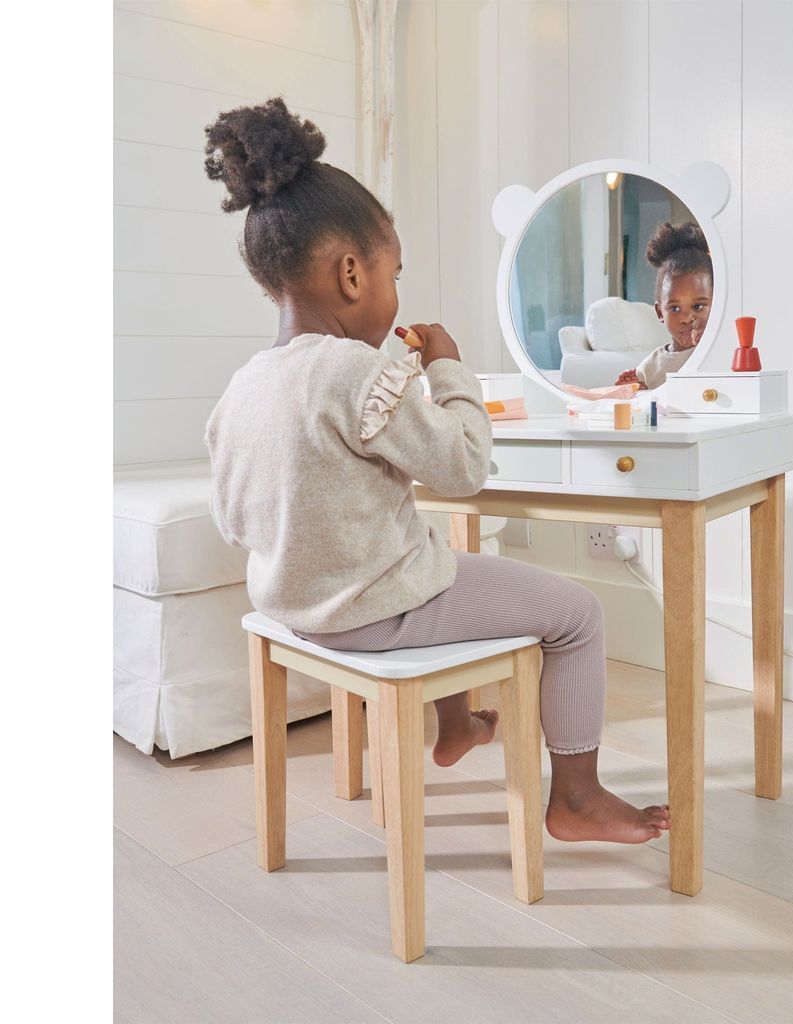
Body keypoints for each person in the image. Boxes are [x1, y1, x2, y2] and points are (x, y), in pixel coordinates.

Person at [202, 98, 669, 843]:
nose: (394, 293)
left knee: (437, 555)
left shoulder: (244, 386)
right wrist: (449, 367)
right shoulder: (357, 372)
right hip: (372, 615)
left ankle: (456, 726)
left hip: (295, 608)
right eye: (394, 272)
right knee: (576, 614)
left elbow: (234, 518)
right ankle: (577, 797)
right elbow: (464, 466)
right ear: (352, 273)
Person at [615, 222, 713, 390]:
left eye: (697, 306)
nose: (687, 318)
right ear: (660, 312)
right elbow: (644, 408)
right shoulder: (650, 367)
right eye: (675, 308)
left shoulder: (716, 351)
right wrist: (637, 390)